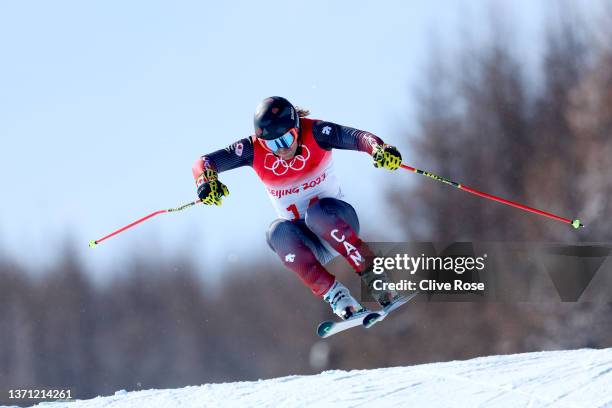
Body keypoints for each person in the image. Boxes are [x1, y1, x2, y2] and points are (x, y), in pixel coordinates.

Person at [192, 96, 403, 320]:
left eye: (286, 139)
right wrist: (206, 182)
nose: (281, 150)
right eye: (272, 144)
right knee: (276, 232)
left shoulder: (317, 132)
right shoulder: (252, 150)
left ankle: (378, 281)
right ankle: (338, 298)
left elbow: (358, 137)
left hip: (338, 220)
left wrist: (379, 149)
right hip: (309, 243)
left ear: (297, 128)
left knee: (316, 214)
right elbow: (204, 162)